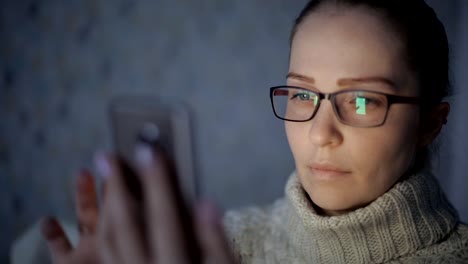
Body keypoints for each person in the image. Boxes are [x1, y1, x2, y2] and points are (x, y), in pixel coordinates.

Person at [36, 0, 468, 263]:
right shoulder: (223, 244)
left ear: (430, 123)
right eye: (302, 95)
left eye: (360, 101)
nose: (320, 134)